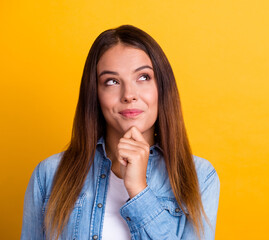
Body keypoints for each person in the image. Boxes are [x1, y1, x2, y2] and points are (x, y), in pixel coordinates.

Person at [21, 25, 220, 240]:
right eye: (112, 81)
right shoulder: (48, 175)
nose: (129, 95)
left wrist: (138, 190)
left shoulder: (199, 177)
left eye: (143, 77)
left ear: (162, 87)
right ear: (95, 94)